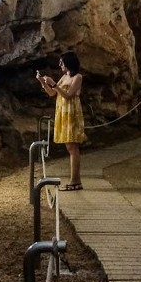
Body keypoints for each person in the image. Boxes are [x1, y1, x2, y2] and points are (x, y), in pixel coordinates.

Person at [37, 52, 86, 190]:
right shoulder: (65, 77)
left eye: (62, 63)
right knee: (69, 147)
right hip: (63, 113)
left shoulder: (77, 77)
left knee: (73, 147)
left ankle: (75, 181)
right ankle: (76, 180)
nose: (60, 65)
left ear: (69, 63)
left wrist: (54, 84)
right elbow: (52, 93)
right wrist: (43, 82)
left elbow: (68, 95)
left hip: (71, 113)